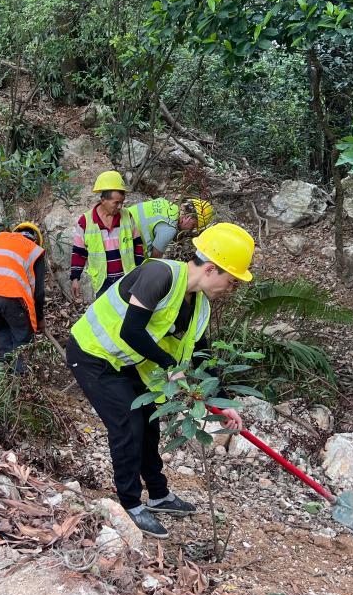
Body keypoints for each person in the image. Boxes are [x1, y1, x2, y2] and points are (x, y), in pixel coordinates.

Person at [65, 223, 256, 538]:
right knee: (128, 425)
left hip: (127, 363)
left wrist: (223, 402)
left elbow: (202, 356)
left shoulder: (199, 307)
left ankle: (158, 495)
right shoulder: (159, 275)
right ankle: (130, 505)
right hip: (91, 354)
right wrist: (169, 365)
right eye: (232, 281)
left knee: (148, 424)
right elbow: (131, 331)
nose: (231, 289)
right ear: (211, 269)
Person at [0, 222, 46, 374]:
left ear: (15, 232)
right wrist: (40, 319)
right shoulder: (35, 250)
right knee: (22, 337)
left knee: (2, 328)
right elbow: (38, 293)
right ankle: (19, 377)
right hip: (11, 298)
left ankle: (1, 373)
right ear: (36, 239)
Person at [70, 171, 145, 300]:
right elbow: (79, 252)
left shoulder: (127, 216)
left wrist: (139, 271)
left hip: (127, 279)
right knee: (104, 312)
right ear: (103, 200)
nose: (120, 206)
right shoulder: (85, 221)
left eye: (122, 202)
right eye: (116, 203)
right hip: (102, 282)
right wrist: (75, 278)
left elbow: (138, 245)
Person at [128, 197, 215, 257]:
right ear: (188, 218)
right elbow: (154, 259)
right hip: (125, 242)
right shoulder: (169, 229)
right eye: (193, 226)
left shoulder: (165, 203)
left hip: (123, 219)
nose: (190, 230)